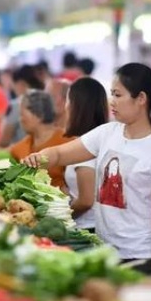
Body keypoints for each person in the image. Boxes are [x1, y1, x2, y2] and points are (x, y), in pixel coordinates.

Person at [23, 63, 151, 276]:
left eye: (118, 95)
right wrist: (39, 158)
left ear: (141, 98)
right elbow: (61, 154)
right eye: (111, 94)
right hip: (104, 250)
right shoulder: (108, 133)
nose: (111, 102)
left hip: (141, 258)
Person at [63, 77, 109, 231]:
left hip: (87, 228)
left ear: (77, 106)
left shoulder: (86, 147)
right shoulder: (99, 139)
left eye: (68, 100)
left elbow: (86, 200)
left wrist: (60, 216)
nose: (66, 106)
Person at [10, 91, 74, 189]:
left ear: (39, 115)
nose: (20, 120)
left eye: (22, 114)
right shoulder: (18, 149)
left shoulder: (69, 144)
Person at [0, 65, 45, 148]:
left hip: (21, 154)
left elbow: (4, 141)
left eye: (13, 85)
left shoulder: (16, 105)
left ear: (20, 83)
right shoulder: (47, 101)